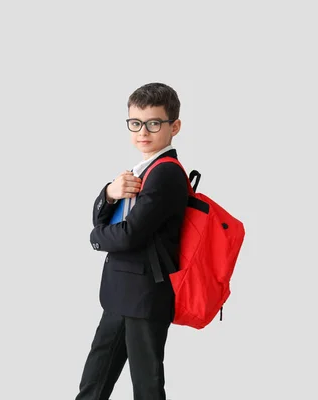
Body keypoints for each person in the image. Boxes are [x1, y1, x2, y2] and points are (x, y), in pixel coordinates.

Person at [75, 82, 189, 400]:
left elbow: (128, 235)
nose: (143, 131)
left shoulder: (166, 174)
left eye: (154, 123)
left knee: (146, 387)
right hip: (121, 293)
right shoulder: (143, 170)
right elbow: (105, 218)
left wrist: (95, 238)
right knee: (94, 382)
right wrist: (110, 192)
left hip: (145, 296)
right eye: (135, 123)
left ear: (174, 126)